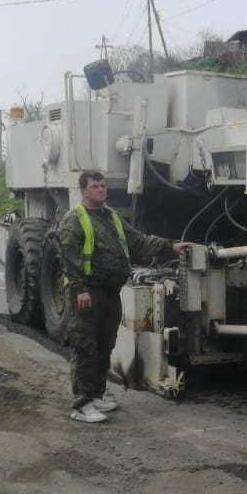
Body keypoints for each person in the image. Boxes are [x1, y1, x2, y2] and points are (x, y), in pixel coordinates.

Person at [57, 170, 191, 423]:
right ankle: (81, 404)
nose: (101, 189)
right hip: (88, 293)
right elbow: (69, 258)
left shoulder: (112, 217)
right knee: (86, 347)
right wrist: (80, 290)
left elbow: (138, 241)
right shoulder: (75, 220)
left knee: (104, 346)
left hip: (109, 293)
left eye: (103, 185)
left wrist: (169, 246)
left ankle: (96, 395)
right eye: (95, 186)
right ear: (84, 190)